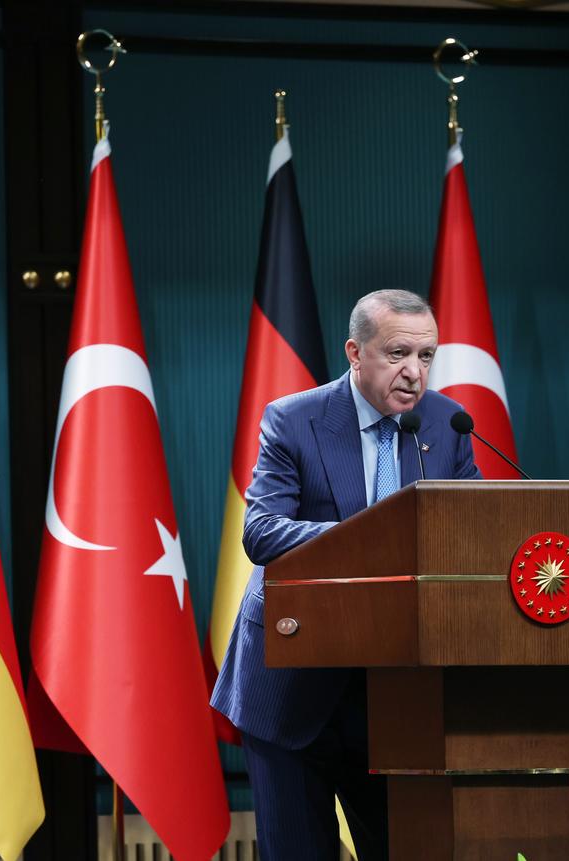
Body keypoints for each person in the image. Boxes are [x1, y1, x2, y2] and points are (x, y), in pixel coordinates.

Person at [211, 289, 481, 860]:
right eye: (398, 354)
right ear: (356, 353)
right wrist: (373, 539)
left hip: (397, 691)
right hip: (292, 681)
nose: (414, 372)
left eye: (426, 356)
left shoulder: (447, 423)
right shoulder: (294, 419)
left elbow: (471, 533)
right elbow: (262, 532)